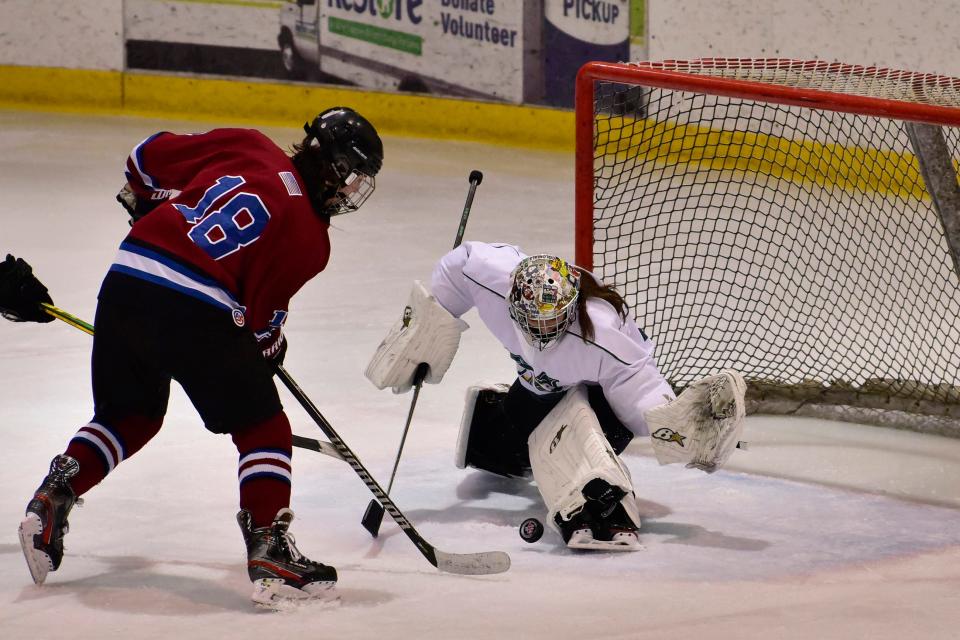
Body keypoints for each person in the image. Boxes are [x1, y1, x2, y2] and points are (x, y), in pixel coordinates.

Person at [0, 107, 383, 606]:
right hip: (198, 307)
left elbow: (144, 161)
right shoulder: (312, 239)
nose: (349, 190)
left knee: (129, 414)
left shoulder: (250, 142)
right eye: (348, 176)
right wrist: (267, 351)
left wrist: (150, 205)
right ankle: (270, 548)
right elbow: (260, 324)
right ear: (327, 163)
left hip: (127, 279)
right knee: (264, 428)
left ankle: (53, 497)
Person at [364, 241, 746, 551]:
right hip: (538, 383)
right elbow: (456, 267)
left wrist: (674, 427)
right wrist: (429, 330)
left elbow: (639, 386)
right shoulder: (491, 277)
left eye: (553, 319)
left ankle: (598, 498)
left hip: (601, 397)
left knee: (576, 426)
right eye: (534, 318)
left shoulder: (601, 335)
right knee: (505, 444)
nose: (543, 328)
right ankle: (492, 421)